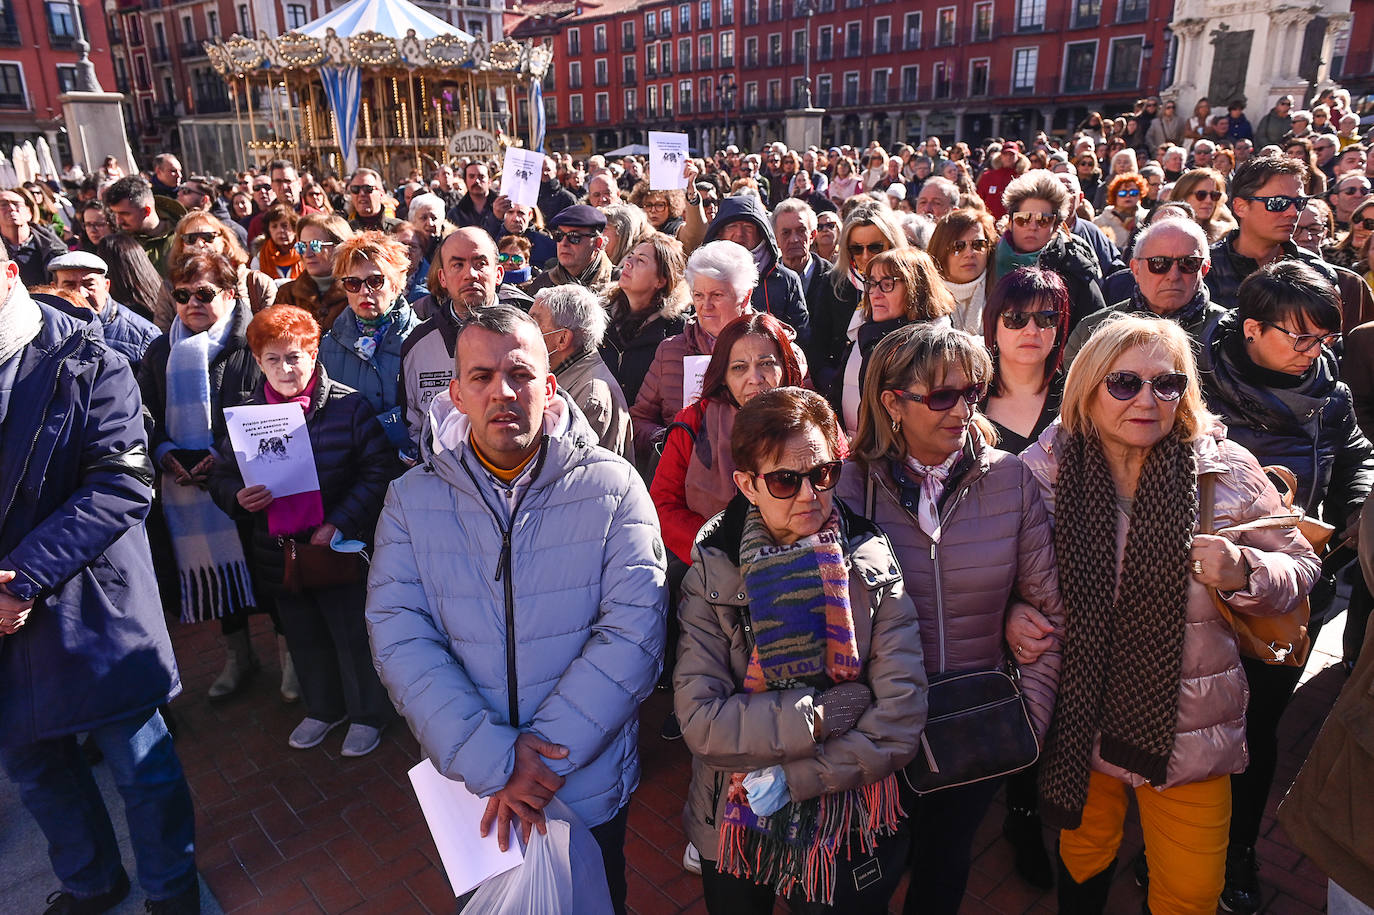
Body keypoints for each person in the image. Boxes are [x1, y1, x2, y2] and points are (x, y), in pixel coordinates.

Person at [367, 304, 666, 915]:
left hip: (583, 781)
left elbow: (634, 633)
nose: (502, 391)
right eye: (481, 376)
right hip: (478, 787)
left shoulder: (611, 487)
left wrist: (540, 762)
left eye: (521, 374)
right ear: (455, 393)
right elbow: (400, 638)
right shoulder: (410, 500)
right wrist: (495, 761)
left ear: (549, 385)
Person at [1020, 316, 1320, 915]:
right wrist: (1014, 615)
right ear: (1087, 386)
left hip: (1191, 730)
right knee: (1084, 856)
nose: (1148, 400)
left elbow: (1302, 565)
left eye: (1167, 384)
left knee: (1191, 891)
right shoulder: (1043, 470)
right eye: (1124, 383)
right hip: (1084, 717)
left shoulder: (1224, 468)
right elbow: (1007, 569)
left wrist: (1244, 572)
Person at [0, 245, 201, 915]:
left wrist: (21, 578)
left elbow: (121, 485)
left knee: (141, 766)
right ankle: (90, 880)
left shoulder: (90, 358)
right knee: (37, 768)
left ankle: (171, 888)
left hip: (91, 604)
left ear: (8, 276)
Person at [836, 322, 1063, 914]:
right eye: (942, 396)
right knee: (869, 875)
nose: (963, 408)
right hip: (877, 730)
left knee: (944, 869)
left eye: (971, 392)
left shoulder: (1010, 478)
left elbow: (1047, 609)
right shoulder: (845, 486)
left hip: (972, 729)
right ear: (892, 402)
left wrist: (1026, 723)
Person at [675, 385, 925, 913]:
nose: (810, 494)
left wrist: (795, 778)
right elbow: (700, 720)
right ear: (747, 484)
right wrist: (820, 717)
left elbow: (900, 716)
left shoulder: (870, 561)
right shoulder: (714, 571)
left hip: (843, 818)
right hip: (734, 819)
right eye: (786, 480)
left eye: (823, 474)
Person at [1198, 261, 1373, 914]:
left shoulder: (1331, 392)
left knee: (1259, 726)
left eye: (1324, 338)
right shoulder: (1196, 379)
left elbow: (1356, 452)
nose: (1314, 352)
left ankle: (1238, 848)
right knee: (1189, 714)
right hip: (1198, 595)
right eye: (1300, 337)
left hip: (1286, 594)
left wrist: (1348, 519)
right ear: (1250, 329)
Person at [210, 304, 399, 757]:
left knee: (351, 634)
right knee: (303, 634)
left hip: (335, 546)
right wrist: (236, 496)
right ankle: (322, 708)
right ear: (258, 362)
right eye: (272, 359)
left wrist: (339, 521)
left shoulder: (347, 406)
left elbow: (379, 471)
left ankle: (368, 715)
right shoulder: (245, 417)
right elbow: (219, 474)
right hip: (277, 550)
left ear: (314, 355)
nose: (285, 368)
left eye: (294, 356)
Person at [138, 252, 266, 699]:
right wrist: (165, 451)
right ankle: (238, 657)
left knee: (260, 566)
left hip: (241, 477)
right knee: (216, 571)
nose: (193, 302)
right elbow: (146, 412)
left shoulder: (249, 341)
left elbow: (262, 405)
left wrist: (222, 454)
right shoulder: (160, 349)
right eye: (183, 294)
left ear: (231, 294)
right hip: (184, 484)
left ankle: (289, 657)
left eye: (205, 293)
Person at [651, 312, 804, 566]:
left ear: (785, 366)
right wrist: (719, 549)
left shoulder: (813, 419)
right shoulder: (694, 421)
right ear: (723, 375)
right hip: (710, 568)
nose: (754, 378)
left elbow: (832, 493)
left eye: (766, 363)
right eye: (739, 367)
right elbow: (663, 505)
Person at [399, 228, 533, 449]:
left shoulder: (529, 336)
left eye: (480, 263)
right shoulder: (418, 345)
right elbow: (412, 425)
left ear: (498, 273)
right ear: (442, 277)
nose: (470, 274)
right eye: (457, 265)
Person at [630, 240, 760, 466]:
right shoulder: (671, 351)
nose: (705, 306)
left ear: (745, 296)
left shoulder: (778, 350)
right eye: (698, 295)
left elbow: (803, 418)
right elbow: (639, 420)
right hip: (686, 480)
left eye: (717, 295)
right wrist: (670, 439)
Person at [1065, 218, 1227, 369]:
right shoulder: (1093, 333)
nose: (1173, 275)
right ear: (1135, 269)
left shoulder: (1228, 334)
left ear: (1205, 269)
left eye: (1189, 263)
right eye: (1159, 263)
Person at [316, 231, 420, 450]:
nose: (364, 291)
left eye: (375, 280)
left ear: (395, 284)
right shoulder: (328, 345)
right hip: (352, 464)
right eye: (353, 283)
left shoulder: (421, 339)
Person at [834, 247, 955, 430]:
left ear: (917, 289)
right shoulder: (864, 336)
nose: (875, 293)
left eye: (887, 284)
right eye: (872, 283)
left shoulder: (934, 349)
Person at [1204, 154, 1339, 309]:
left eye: (1299, 202)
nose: (1293, 212)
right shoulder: (1200, 268)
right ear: (1240, 207)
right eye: (1279, 203)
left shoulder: (1317, 271)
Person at [808, 200, 907, 394]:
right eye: (856, 248)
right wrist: (833, 382)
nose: (865, 255)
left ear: (892, 244)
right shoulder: (834, 283)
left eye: (875, 247)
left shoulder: (907, 281)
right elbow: (818, 346)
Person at [689, 193, 810, 345]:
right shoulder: (702, 277)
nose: (739, 234)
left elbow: (801, 336)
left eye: (748, 227)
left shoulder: (786, 280)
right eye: (732, 226)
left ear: (761, 233)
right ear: (719, 232)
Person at [530, 284, 633, 459]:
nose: (526, 329)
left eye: (534, 322)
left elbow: (562, 465)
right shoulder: (565, 372)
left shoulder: (591, 398)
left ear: (562, 339)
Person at [994, 170, 1106, 331]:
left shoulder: (1074, 268)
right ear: (1010, 221)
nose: (1032, 226)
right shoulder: (988, 258)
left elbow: (1096, 330)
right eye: (1023, 218)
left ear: (1057, 226)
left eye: (1043, 220)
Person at [979, 266, 1070, 455]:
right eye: (1016, 318)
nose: (1031, 330)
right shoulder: (969, 399)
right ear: (993, 327)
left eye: (1046, 318)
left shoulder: (1077, 398)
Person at [601, 233, 690, 407]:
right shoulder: (601, 314)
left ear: (661, 280)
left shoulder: (676, 329)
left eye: (641, 261)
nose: (628, 263)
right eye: (630, 256)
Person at [48, 250, 161, 373]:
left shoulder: (144, 335)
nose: (81, 293)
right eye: (69, 286)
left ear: (106, 286)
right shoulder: (45, 329)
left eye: (89, 285)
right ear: (54, 288)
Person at [169, 211, 277, 316]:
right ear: (181, 246)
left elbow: (270, 329)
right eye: (190, 239)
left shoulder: (258, 282)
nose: (200, 243)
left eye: (207, 237)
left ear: (224, 241)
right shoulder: (169, 286)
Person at [275, 213, 354, 327]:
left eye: (315, 245)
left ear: (340, 248)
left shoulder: (358, 291)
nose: (307, 254)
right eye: (302, 246)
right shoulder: (287, 294)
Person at [929, 208, 996, 334]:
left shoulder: (1003, 294)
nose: (969, 253)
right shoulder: (925, 298)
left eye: (978, 244)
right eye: (958, 246)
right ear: (941, 251)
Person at [105, 175, 187, 276]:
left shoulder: (185, 236)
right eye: (115, 214)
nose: (118, 221)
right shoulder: (118, 244)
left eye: (125, 214)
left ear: (146, 211)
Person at [528, 204, 616, 297]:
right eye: (559, 235)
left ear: (597, 243)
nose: (564, 243)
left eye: (574, 237)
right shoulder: (543, 283)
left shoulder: (618, 284)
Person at [0, 186, 67, 286]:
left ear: (29, 212)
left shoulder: (54, 248)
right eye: (3, 205)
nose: (11, 208)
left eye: (17, 204)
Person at [1168, 167, 1238, 242]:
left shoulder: (1226, 236)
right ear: (1182, 196)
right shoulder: (1165, 233)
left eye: (1214, 195)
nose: (1209, 201)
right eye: (1201, 195)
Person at [1092, 173, 1148, 247]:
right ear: (1115, 196)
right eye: (1122, 193)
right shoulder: (1099, 221)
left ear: (1140, 194)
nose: (1128, 196)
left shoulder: (1147, 218)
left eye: (1133, 192)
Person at [255, 203, 304, 281]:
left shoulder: (307, 254)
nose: (280, 231)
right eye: (274, 226)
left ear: (294, 228)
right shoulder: (260, 258)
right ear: (269, 231)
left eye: (284, 225)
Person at [345, 168, 401, 233]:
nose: (361, 194)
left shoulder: (399, 229)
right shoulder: (345, 232)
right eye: (355, 189)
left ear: (381, 193)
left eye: (367, 188)